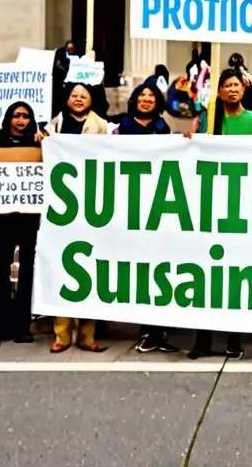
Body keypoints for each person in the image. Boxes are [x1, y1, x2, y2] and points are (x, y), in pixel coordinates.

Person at [185, 69, 252, 360]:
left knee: (236, 274)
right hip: (210, 206)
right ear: (218, 92)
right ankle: (202, 340)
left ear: (243, 90)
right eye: (226, 86)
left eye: (236, 85)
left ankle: (234, 338)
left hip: (243, 207)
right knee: (205, 274)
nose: (232, 90)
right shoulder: (208, 122)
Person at [42, 83, 110, 353]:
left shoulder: (103, 126)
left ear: (91, 99)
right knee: (62, 269)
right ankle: (61, 334)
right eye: (74, 95)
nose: (79, 99)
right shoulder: (54, 125)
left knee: (88, 271)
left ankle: (87, 335)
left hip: (91, 205)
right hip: (61, 205)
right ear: (66, 99)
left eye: (84, 95)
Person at [115, 83, 180, 354]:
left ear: (157, 102)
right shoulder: (121, 127)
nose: (145, 100)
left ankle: (158, 329)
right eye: (141, 96)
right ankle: (146, 329)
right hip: (131, 206)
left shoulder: (163, 128)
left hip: (157, 206)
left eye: (150, 97)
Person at [0, 101, 42, 351]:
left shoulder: (39, 146)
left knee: (27, 270)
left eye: (26, 116)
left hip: (29, 218)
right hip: (3, 217)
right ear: (8, 119)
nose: (21, 120)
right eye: (16, 116)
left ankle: (22, 327)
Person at [52, 39, 76, 117]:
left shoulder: (77, 57)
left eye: (72, 49)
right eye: (69, 48)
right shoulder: (60, 55)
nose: (70, 50)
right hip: (59, 85)